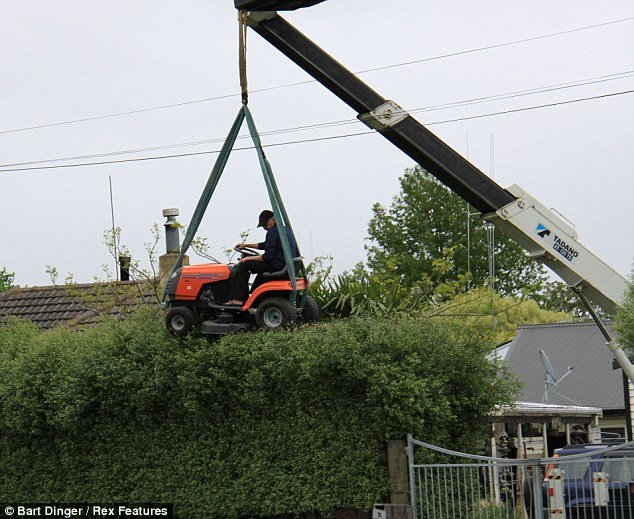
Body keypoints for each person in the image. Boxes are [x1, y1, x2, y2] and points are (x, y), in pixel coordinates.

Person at [225, 209, 298, 305]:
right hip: (284, 264)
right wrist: (246, 245)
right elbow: (265, 245)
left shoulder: (273, 232)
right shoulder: (285, 230)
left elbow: (267, 257)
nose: (264, 227)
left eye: (265, 224)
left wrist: (248, 258)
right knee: (252, 264)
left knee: (244, 265)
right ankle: (253, 297)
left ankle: (237, 299)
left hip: (277, 265)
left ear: (273, 220)